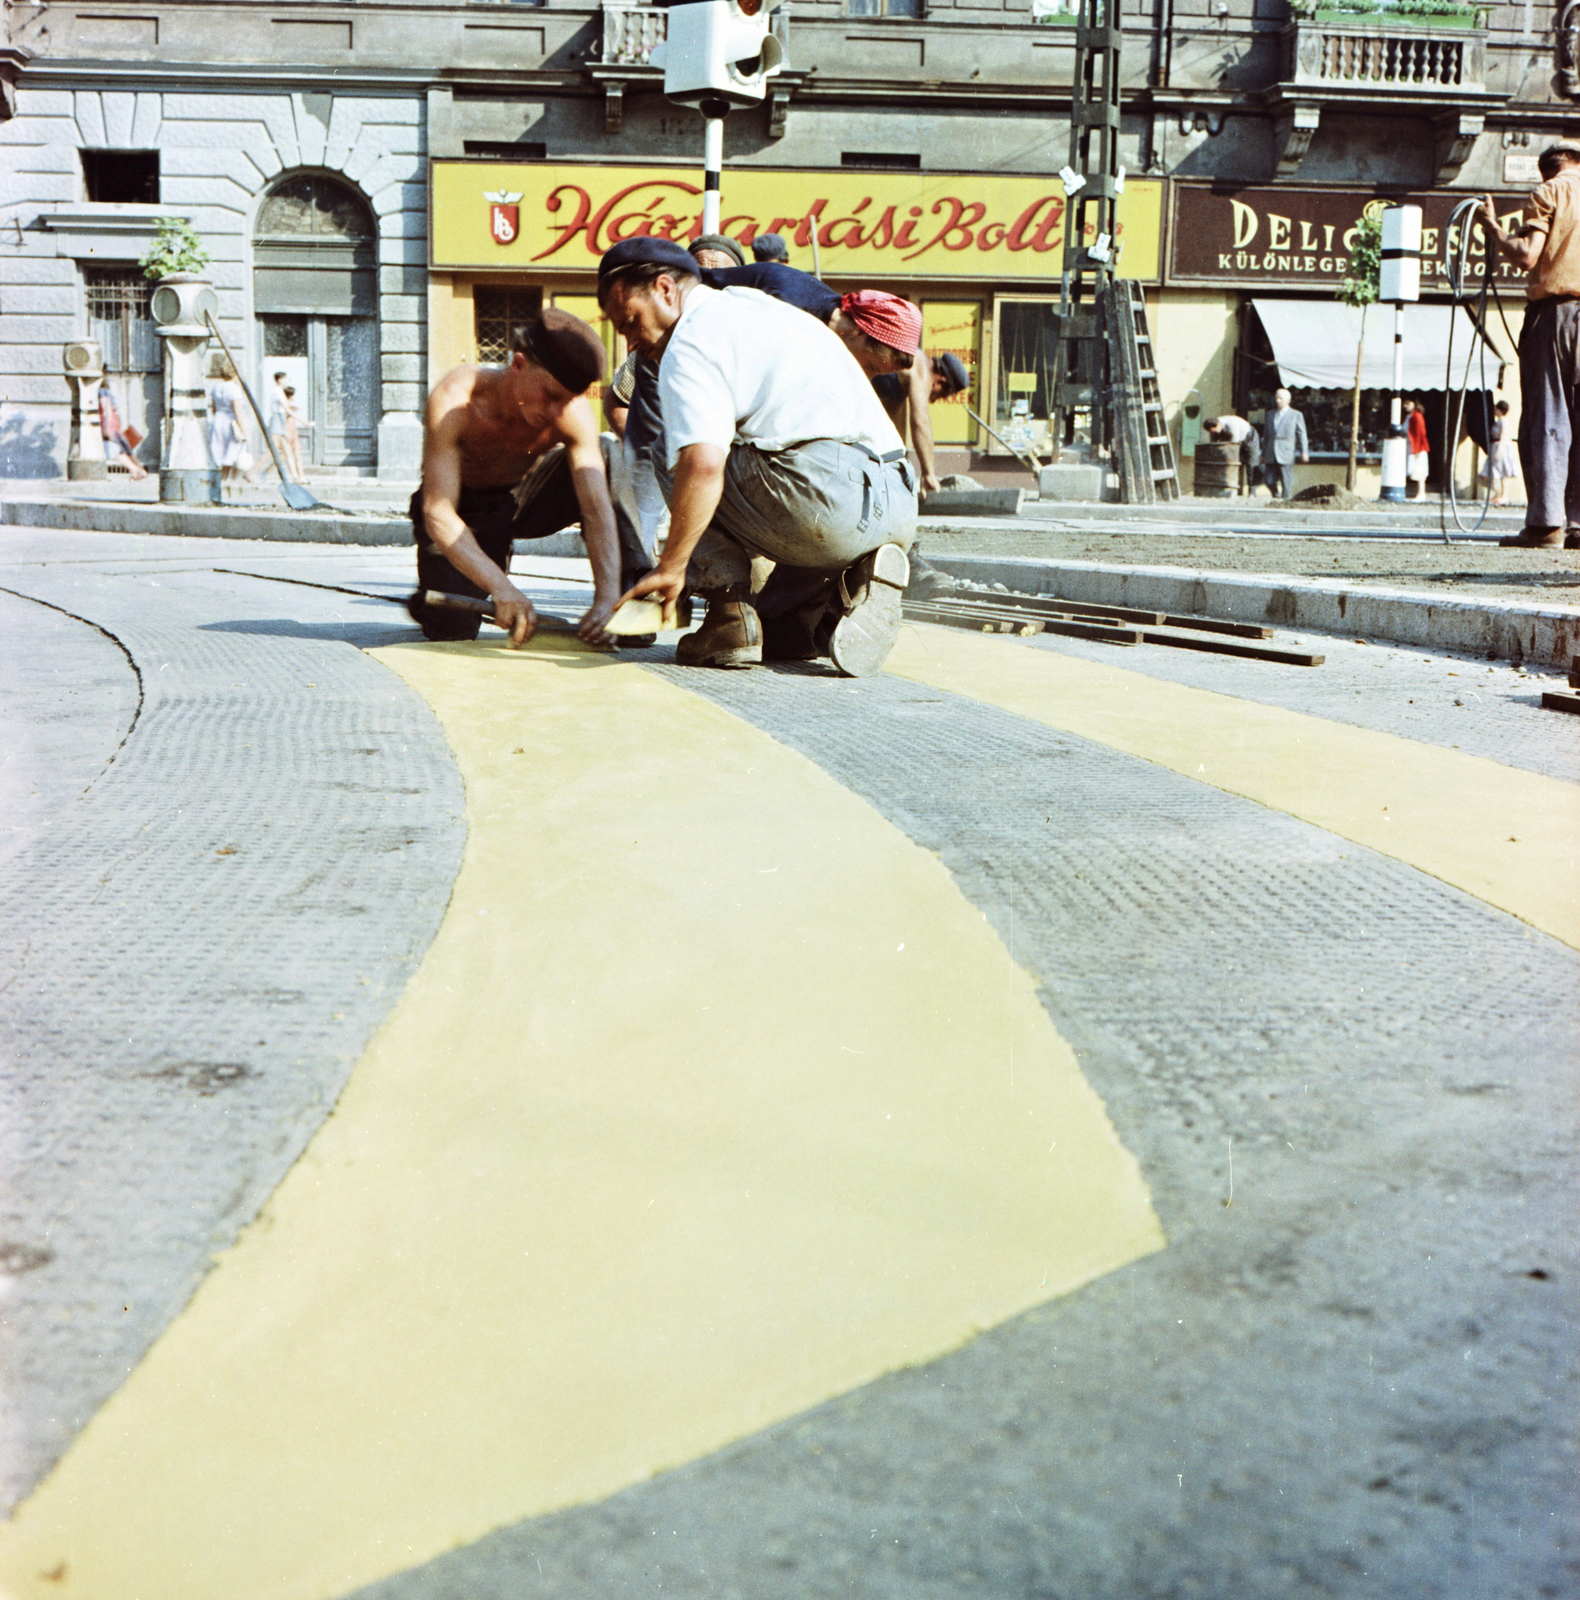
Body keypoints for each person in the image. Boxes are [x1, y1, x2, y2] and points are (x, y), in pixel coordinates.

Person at [598, 236, 917, 676]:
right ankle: (848, 586)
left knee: (673, 452)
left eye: (630, 322)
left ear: (665, 290)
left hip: (827, 499)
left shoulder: (688, 341)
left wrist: (672, 568)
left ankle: (727, 617)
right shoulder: (760, 307)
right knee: (782, 637)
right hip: (899, 500)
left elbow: (703, 465)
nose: (632, 342)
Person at [407, 307, 627, 645]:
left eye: (567, 401)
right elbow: (438, 511)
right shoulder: (456, 399)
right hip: (462, 509)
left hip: (523, 496)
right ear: (519, 364)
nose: (557, 411)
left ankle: (628, 595)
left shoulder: (572, 413)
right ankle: (437, 593)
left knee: (607, 456)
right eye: (551, 396)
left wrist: (606, 599)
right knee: (453, 630)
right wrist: (501, 587)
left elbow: (597, 509)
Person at [1478, 143, 1580, 548]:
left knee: (1548, 415)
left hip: (1555, 314)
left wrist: (1493, 228)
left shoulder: (1549, 191)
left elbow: (1526, 255)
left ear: (1547, 170)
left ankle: (1547, 523)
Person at [207, 358, 253, 497]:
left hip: (218, 420)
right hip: (231, 422)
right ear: (236, 374)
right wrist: (244, 431)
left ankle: (218, 483)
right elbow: (238, 411)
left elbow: (214, 408)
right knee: (231, 453)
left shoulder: (216, 387)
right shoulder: (234, 389)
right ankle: (226, 484)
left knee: (218, 452)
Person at [1262, 388, 1308, 500]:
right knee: (1268, 479)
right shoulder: (1270, 414)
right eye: (1276, 398)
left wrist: (1304, 451)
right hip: (1271, 452)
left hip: (1286, 452)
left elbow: (1302, 434)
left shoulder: (1296, 415)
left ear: (1288, 400)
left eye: (1280, 398)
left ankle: (1286, 501)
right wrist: (1263, 454)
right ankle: (1276, 495)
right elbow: (1266, 435)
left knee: (1286, 481)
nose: (1277, 401)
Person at [96, 382, 147, 481]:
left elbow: (106, 410)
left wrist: (106, 428)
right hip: (115, 426)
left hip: (109, 426)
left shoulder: (101, 392)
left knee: (118, 453)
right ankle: (139, 470)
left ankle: (136, 470)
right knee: (125, 451)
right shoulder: (108, 391)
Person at [1206, 413, 1261, 492]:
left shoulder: (1232, 424)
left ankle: (1252, 492)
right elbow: (1213, 443)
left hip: (1249, 438)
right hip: (1234, 441)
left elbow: (1234, 444)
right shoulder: (1214, 426)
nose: (1214, 434)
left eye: (1214, 431)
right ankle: (1231, 490)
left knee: (1251, 465)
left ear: (1218, 425)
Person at [1486, 399, 1520, 505]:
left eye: (1496, 409)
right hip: (1496, 446)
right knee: (1496, 471)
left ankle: (1504, 496)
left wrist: (1499, 450)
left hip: (1502, 447)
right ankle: (1497, 494)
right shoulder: (1498, 421)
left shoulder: (1504, 421)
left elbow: (1504, 436)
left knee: (1503, 472)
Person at [1403, 398, 1430, 500]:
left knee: (1419, 470)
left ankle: (1421, 493)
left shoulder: (1417, 416)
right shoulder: (1409, 417)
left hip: (1416, 448)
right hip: (1410, 446)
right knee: (1413, 470)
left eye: (1407, 403)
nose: (1405, 406)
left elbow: (1420, 433)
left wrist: (1418, 449)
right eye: (1404, 404)